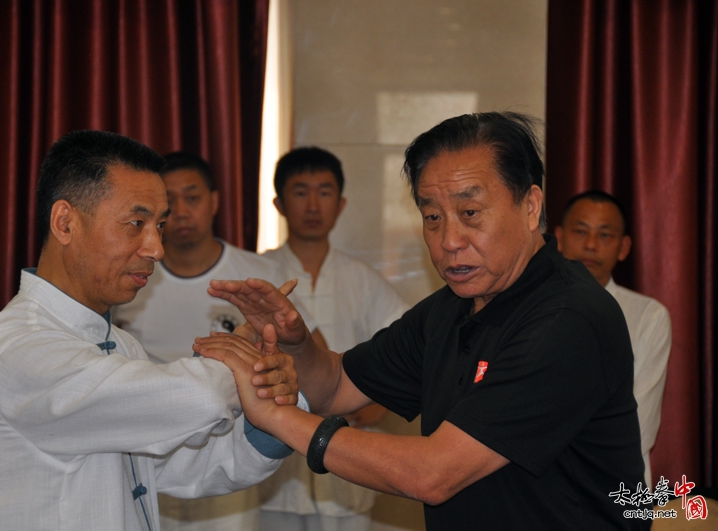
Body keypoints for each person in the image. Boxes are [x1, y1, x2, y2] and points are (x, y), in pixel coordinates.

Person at [195, 112, 651, 530]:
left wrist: (278, 418)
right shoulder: (453, 307)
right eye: (432, 217)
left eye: (470, 213)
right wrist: (295, 342)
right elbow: (335, 387)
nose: (449, 239)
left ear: (531, 207)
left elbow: (433, 473)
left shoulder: (566, 318)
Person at [0, 130, 299, 531]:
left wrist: (274, 405)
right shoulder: (17, 347)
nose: (156, 248)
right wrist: (241, 361)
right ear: (65, 223)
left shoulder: (121, 345)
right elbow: (198, 397)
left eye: (159, 225)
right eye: (136, 223)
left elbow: (188, 465)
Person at [111, 151, 318, 531]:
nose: (181, 212)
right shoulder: (130, 281)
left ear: (215, 201)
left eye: (192, 197)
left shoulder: (259, 275)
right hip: (150, 457)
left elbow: (310, 362)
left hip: (229, 455)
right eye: (170, 203)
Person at [258, 147, 409, 531]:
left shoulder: (364, 280)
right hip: (274, 469)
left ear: (340, 204)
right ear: (279, 203)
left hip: (348, 459)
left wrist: (378, 404)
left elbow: (408, 350)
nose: (313, 205)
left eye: (324, 192)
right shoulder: (258, 273)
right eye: (300, 192)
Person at [554, 189, 672, 488]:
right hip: (539, 489)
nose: (591, 245)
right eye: (581, 231)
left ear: (624, 247)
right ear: (559, 238)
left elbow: (639, 427)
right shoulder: (532, 310)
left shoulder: (648, 316)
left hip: (615, 487)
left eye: (605, 235)